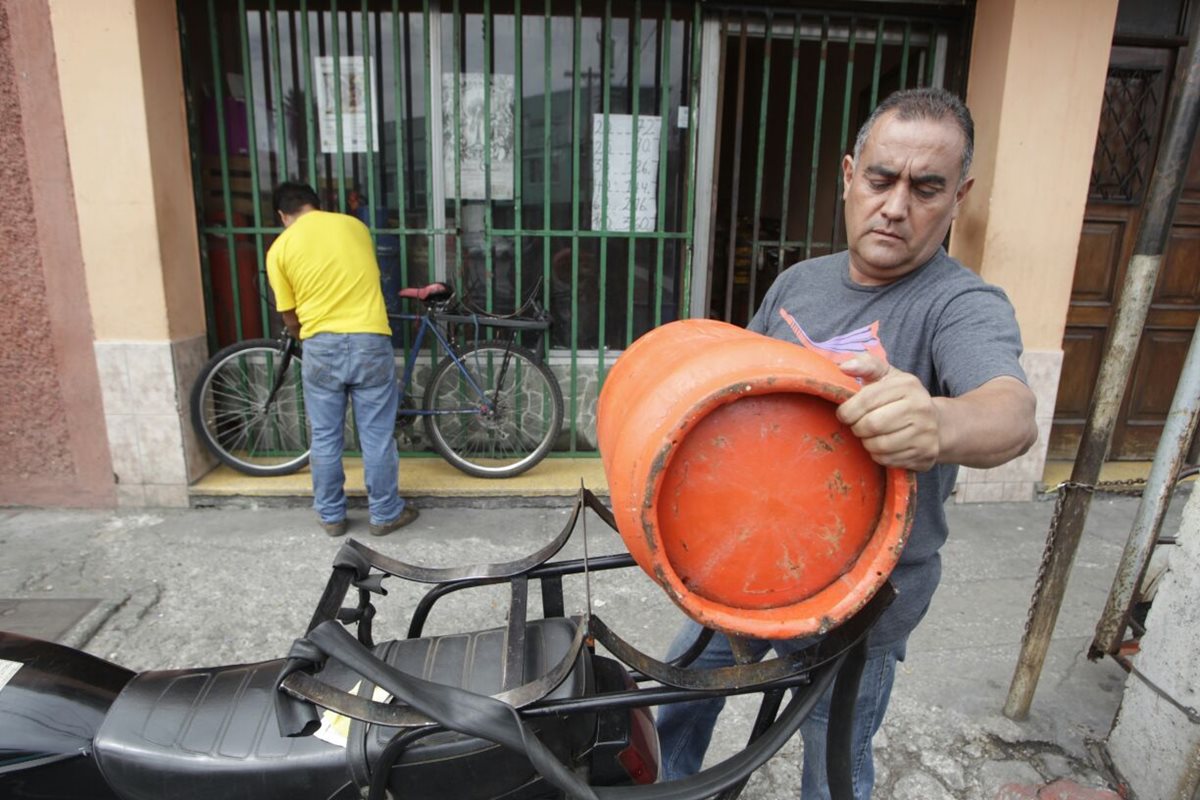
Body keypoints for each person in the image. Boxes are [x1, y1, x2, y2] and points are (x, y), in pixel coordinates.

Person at [655, 87, 1039, 798]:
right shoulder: (798, 283)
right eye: (880, 179)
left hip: (863, 599)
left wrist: (940, 423)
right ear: (848, 174)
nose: (896, 206)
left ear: (961, 196)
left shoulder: (959, 305)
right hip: (750, 564)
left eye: (926, 188)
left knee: (833, 755)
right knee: (676, 703)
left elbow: (1012, 412)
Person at [265, 182, 419, 538]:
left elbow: (289, 315)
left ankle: (332, 516)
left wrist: (308, 335)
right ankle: (384, 514)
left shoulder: (280, 248)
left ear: (282, 215)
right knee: (378, 436)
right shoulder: (355, 227)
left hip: (321, 344)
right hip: (369, 338)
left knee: (324, 437)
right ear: (317, 205)